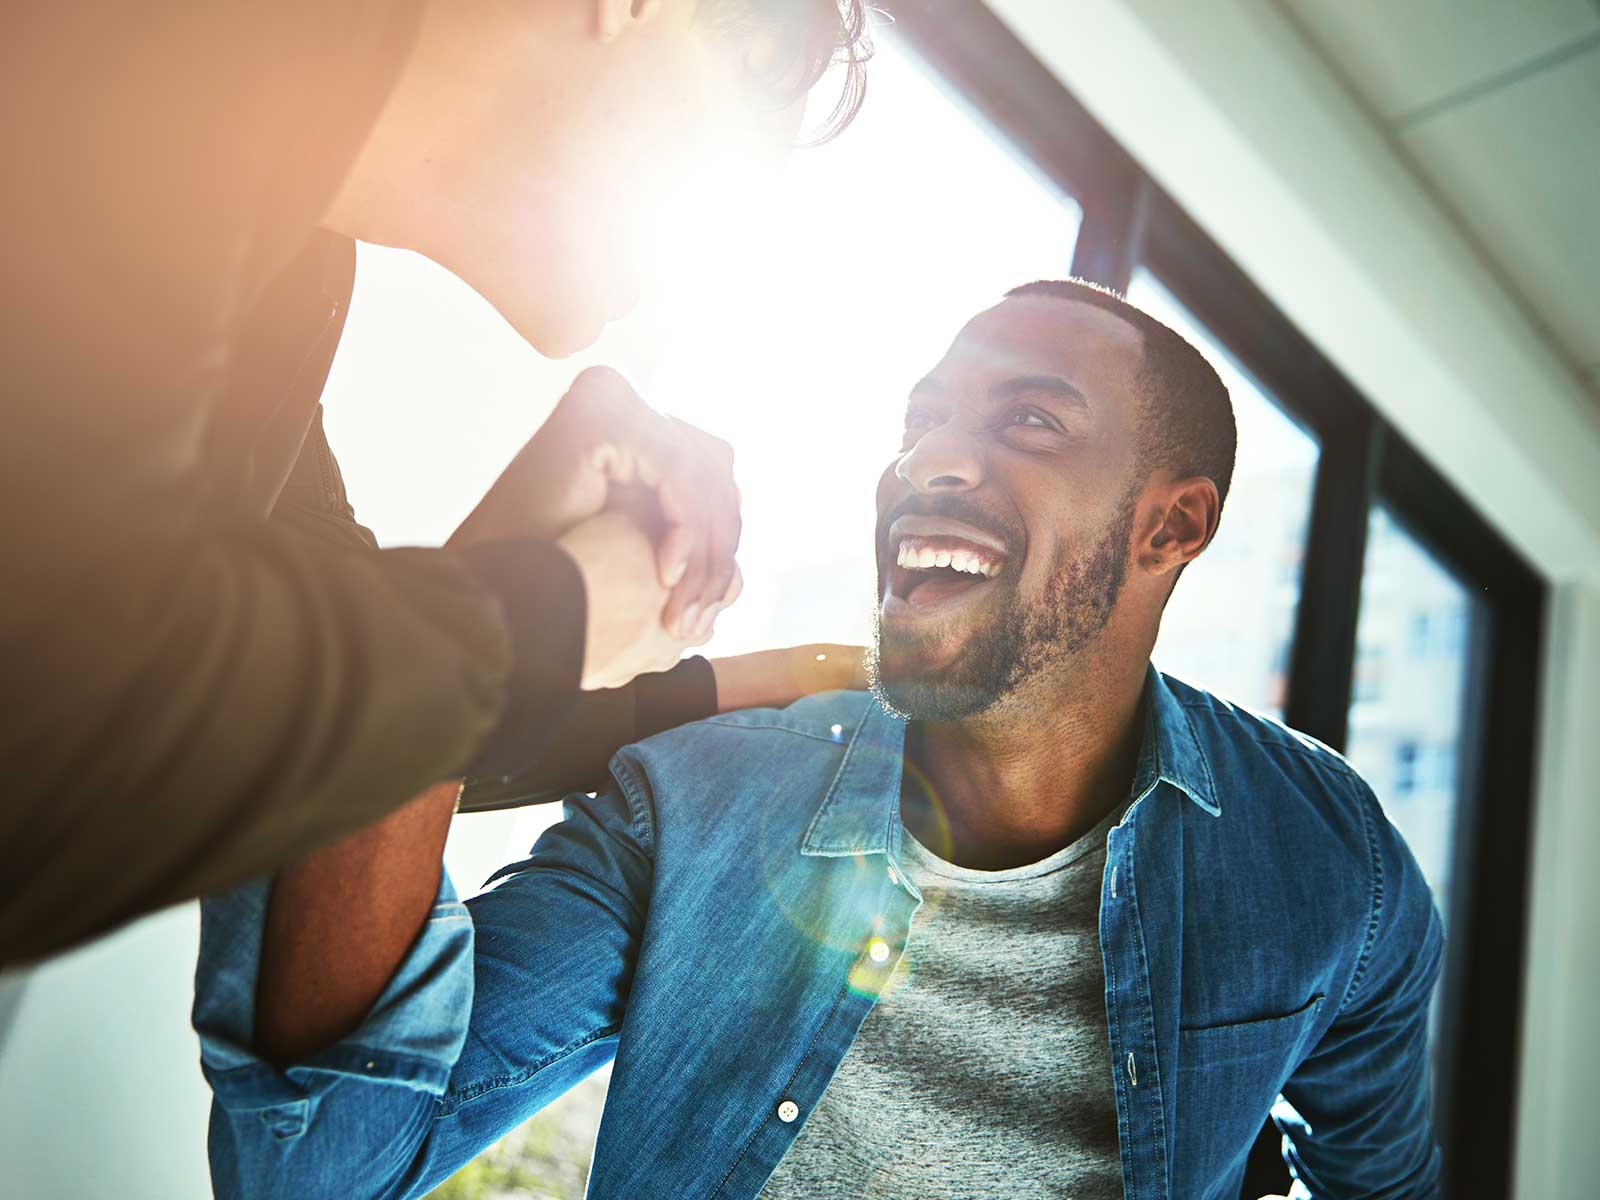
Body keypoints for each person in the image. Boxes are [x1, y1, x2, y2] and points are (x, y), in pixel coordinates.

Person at [193, 280, 1443, 1199]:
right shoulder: (696, 811)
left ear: (1171, 527)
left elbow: (1383, 1182)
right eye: (925, 419)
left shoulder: (1332, 873)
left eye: (1030, 423)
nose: (931, 460)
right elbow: (316, 1173)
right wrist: (488, 603)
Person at [0, 1, 871, 967]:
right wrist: (547, 614)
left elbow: (326, 715)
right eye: (734, 156)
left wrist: (731, 682)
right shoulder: (176, 54)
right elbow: (47, 771)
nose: (717, 245)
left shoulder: (287, 281)